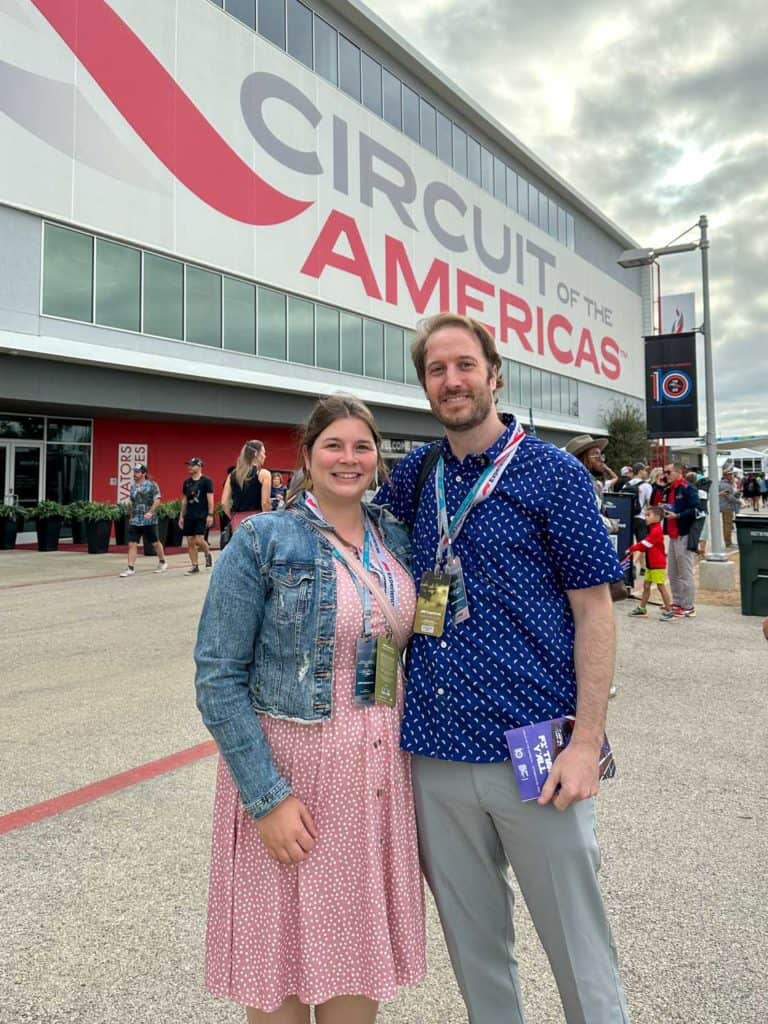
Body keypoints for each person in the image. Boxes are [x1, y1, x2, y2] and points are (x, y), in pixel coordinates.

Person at [375, 312, 629, 1024]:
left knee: (578, 945)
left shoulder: (553, 475)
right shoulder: (416, 478)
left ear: (495, 374)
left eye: (464, 365)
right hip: (435, 748)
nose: (451, 381)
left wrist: (585, 745)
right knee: (475, 949)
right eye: (436, 370)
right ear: (424, 385)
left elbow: (596, 614)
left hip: (537, 747)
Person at [194, 396, 426, 1024]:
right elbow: (218, 677)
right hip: (295, 779)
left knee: (355, 969)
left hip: (377, 782)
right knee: (283, 974)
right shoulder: (263, 540)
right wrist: (266, 798)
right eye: (333, 445)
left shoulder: (395, 537)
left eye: (361, 447)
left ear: (377, 459)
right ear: (306, 456)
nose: (348, 459)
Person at [661, 462, 699, 618]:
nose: (666, 475)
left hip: (684, 533)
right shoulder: (670, 489)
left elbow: (696, 509)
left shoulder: (688, 488)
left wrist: (678, 515)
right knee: (673, 571)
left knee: (685, 571)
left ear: (678, 472)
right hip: (673, 533)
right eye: (665, 472)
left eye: (668, 472)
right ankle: (677, 602)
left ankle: (688, 605)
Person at [118, 464, 167, 577]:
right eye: (134, 471)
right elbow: (132, 503)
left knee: (155, 542)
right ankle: (130, 568)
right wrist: (131, 516)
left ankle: (162, 562)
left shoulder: (152, 485)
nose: (135, 474)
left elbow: (157, 500)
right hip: (136, 520)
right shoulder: (133, 486)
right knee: (132, 543)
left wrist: (151, 512)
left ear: (144, 473)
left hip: (149, 520)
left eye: (137, 472)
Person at [626, 506, 674, 620]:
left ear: (657, 517)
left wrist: (631, 549)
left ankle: (669, 610)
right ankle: (642, 608)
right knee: (646, 585)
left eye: (648, 515)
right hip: (651, 564)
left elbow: (645, 544)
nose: (646, 518)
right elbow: (646, 546)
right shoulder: (653, 529)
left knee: (660, 586)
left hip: (657, 564)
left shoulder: (656, 531)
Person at [220, 439, 271, 532]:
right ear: (256, 454)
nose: (265, 456)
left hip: (237, 520)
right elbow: (265, 503)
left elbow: (224, 502)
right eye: (263, 452)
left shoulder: (232, 475)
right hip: (257, 520)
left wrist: (233, 517)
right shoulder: (263, 474)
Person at [180, 457, 214, 575]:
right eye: (189, 465)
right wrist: (181, 516)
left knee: (199, 539)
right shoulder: (187, 482)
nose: (189, 467)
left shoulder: (206, 481)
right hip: (189, 514)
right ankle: (195, 566)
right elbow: (184, 500)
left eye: (192, 465)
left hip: (202, 514)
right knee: (190, 541)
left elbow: (210, 499)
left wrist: (210, 514)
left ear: (199, 467)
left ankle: (207, 553)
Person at [719, 469, 741, 547]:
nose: (731, 476)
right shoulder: (726, 485)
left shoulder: (725, 484)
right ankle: (728, 542)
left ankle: (728, 541)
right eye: (729, 474)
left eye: (731, 474)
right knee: (728, 525)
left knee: (727, 525)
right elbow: (729, 497)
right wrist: (739, 501)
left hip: (726, 506)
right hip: (727, 506)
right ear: (725, 475)